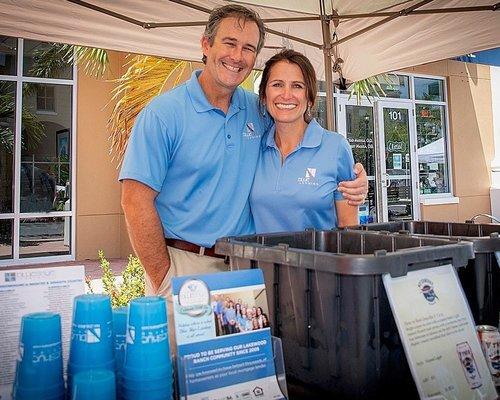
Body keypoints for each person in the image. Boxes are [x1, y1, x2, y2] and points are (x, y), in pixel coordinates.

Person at [119, 4, 368, 302]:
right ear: (206, 44)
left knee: (249, 350)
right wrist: (162, 276)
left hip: (246, 269)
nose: (237, 56)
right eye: (229, 43)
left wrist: (356, 183)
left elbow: (299, 131)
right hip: (185, 266)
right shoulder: (163, 114)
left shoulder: (257, 110)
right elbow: (134, 201)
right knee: (182, 351)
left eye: (248, 48)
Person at [250, 50, 359, 232]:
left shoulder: (336, 148)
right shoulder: (253, 146)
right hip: (261, 260)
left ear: (310, 98)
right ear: (263, 95)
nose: (286, 95)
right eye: (277, 84)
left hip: (317, 260)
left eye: (297, 86)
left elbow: (349, 229)